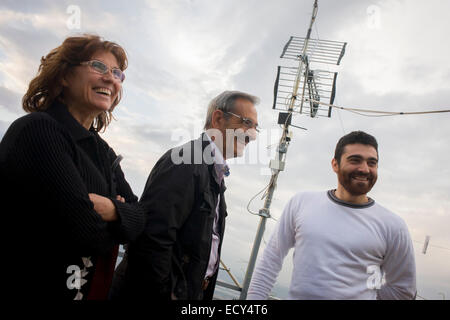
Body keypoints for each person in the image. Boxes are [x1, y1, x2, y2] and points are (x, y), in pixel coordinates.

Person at [0, 34, 145, 300]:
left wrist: (112, 209)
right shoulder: (39, 130)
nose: (111, 79)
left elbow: (142, 218)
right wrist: (120, 216)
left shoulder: (102, 151)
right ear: (64, 76)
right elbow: (85, 233)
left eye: (116, 73)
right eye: (98, 67)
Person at [110, 91, 259, 300]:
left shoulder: (212, 171)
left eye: (255, 127)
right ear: (217, 118)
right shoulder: (185, 160)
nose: (252, 134)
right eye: (246, 122)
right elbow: (152, 239)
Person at [247, 131, 416, 300]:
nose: (364, 169)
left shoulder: (393, 226)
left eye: (372, 163)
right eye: (355, 160)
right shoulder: (301, 203)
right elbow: (270, 261)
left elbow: (403, 291)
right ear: (335, 164)